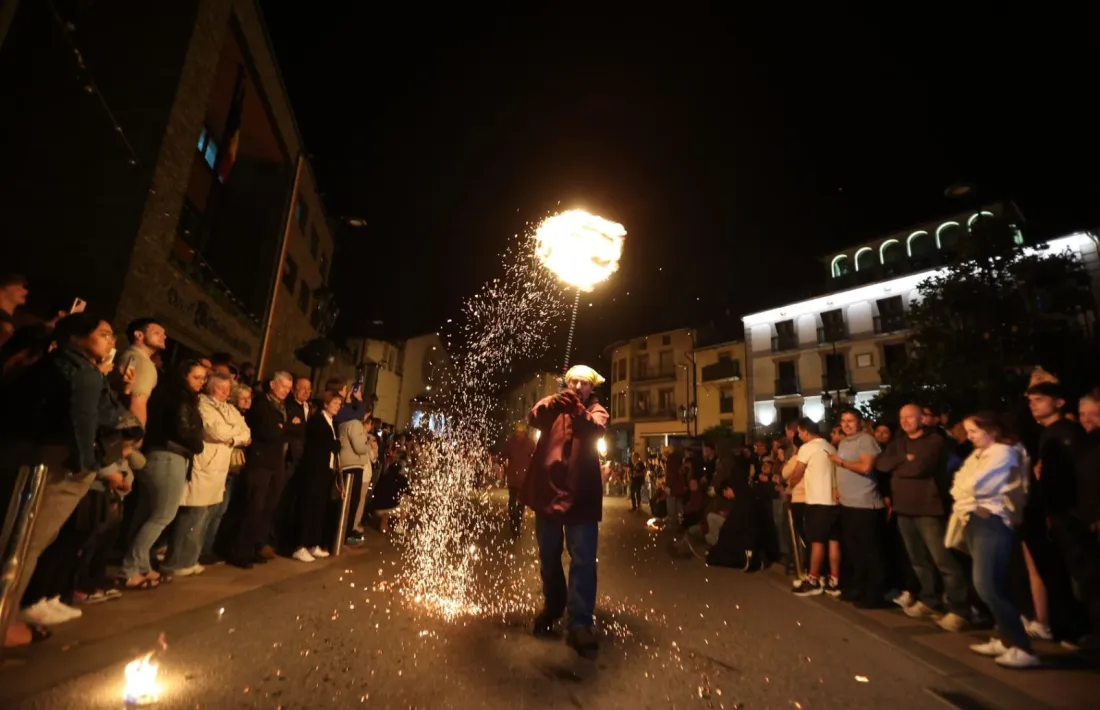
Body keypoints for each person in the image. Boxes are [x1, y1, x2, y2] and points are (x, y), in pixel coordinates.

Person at [521, 365, 608, 657]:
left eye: (585, 383)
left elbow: (596, 428)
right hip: (548, 492)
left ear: (591, 388)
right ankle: (553, 605)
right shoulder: (554, 405)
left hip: (581, 494)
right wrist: (555, 403)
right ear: (567, 384)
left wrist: (579, 412)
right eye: (575, 382)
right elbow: (535, 416)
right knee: (548, 554)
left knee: (583, 559)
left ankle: (580, 622)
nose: (579, 386)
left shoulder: (597, 409)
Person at [503, 422, 536, 536]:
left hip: (522, 479)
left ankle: (516, 524)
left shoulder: (529, 443)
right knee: (514, 502)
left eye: (520, 432)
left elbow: (535, 458)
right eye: (517, 432)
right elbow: (504, 454)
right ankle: (514, 524)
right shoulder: (512, 442)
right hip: (516, 478)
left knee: (519, 504)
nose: (519, 434)